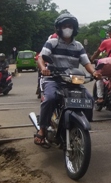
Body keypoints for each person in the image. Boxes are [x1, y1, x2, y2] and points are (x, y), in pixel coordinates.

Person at [34, 13, 101, 146]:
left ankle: (80, 127)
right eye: (64, 26)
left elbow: (86, 63)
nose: (67, 28)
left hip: (73, 80)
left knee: (89, 99)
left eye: (70, 26)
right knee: (50, 99)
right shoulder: (52, 42)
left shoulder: (78, 46)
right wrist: (43, 69)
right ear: (59, 28)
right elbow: (41, 57)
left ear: (74, 28)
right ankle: (42, 129)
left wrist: (94, 72)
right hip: (53, 79)